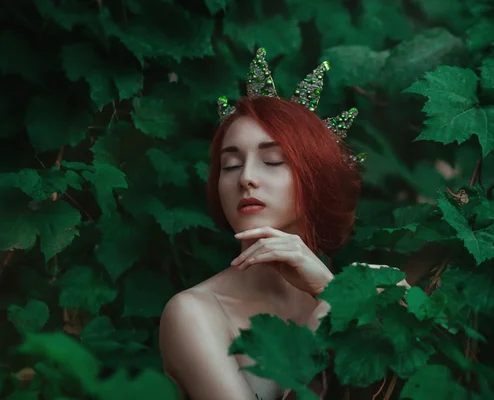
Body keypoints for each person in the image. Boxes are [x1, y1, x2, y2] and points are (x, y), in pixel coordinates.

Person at [158, 48, 441, 400]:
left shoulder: (377, 289)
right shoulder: (195, 314)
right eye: (230, 166)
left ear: (316, 179)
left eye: (273, 161)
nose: (246, 177)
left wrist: (332, 292)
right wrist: (321, 327)